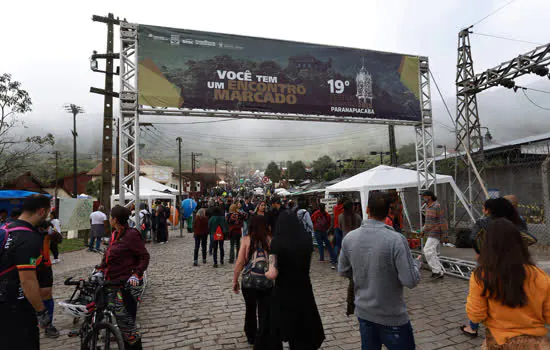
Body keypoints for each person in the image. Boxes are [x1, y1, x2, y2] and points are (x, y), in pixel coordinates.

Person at [339, 192, 421, 350]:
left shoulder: (350, 238)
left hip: (364, 313)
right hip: (392, 317)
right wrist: (416, 265)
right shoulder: (396, 240)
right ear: (388, 212)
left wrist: (362, 273)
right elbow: (410, 280)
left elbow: (343, 270)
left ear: (367, 209)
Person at [465, 218, 550, 348]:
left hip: (498, 342)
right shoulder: (539, 276)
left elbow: (476, 315)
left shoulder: (481, 276)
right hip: (537, 344)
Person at [265, 205, 325, 349]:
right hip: (304, 288)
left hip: (284, 290)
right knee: (303, 327)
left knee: (287, 327)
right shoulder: (306, 239)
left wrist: (265, 273)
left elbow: (272, 273)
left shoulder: (277, 242)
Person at [0, 194, 52, 350]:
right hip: (15, 307)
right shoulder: (29, 238)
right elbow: (27, 280)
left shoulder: (5, 228)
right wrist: (41, 311)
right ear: (42, 211)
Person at [96, 205, 150, 349]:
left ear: (115, 219)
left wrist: (136, 274)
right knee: (122, 326)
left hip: (124, 288)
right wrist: (101, 268)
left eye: (110, 216)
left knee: (128, 329)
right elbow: (108, 254)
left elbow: (144, 256)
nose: (109, 218)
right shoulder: (115, 234)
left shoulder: (131, 234)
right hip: (112, 285)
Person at [233, 215, 274, 347]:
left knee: (250, 309)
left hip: (249, 282)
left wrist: (235, 279)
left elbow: (240, 262)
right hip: (266, 281)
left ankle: (251, 335)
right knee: (264, 310)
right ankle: (263, 334)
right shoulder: (269, 240)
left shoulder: (246, 240)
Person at [36, 221, 60, 338]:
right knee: (31, 293)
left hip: (45, 266)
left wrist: (53, 233)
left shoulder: (47, 225)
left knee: (47, 294)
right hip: (29, 265)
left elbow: (59, 240)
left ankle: (48, 324)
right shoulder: (27, 226)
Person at [420, 190, 447, 280]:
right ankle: (439, 272)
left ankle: (437, 271)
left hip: (436, 232)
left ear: (429, 197)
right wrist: (423, 230)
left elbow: (442, 220)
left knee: (427, 250)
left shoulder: (437, 206)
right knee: (432, 252)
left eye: (424, 197)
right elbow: (427, 222)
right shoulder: (427, 207)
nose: (422, 198)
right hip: (430, 232)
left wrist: (444, 235)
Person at [311, 203, 337, 269]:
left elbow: (312, 220)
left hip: (317, 231)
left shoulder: (315, 213)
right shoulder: (327, 215)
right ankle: (332, 257)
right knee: (328, 245)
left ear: (319, 208)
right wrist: (326, 228)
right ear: (324, 208)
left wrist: (315, 226)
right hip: (325, 231)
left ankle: (322, 258)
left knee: (320, 245)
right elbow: (329, 223)